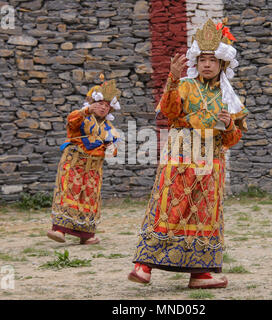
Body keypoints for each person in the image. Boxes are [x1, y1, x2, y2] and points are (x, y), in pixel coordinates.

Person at [128, 18, 248, 289]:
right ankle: (143, 266)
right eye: (203, 59)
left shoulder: (229, 97)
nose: (207, 64)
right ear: (197, 62)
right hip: (180, 158)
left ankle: (200, 273)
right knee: (170, 207)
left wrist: (229, 123)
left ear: (222, 64)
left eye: (213, 60)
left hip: (212, 163)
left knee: (203, 214)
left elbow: (234, 138)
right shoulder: (183, 85)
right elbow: (169, 113)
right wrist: (171, 79)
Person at [47, 75, 121, 245]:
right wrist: (86, 111)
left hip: (94, 168)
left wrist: (111, 148)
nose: (103, 108)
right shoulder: (82, 117)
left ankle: (86, 235)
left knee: (89, 197)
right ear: (92, 103)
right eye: (100, 104)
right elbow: (71, 120)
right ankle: (59, 230)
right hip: (74, 163)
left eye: (106, 106)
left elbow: (113, 149)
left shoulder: (110, 128)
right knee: (69, 192)